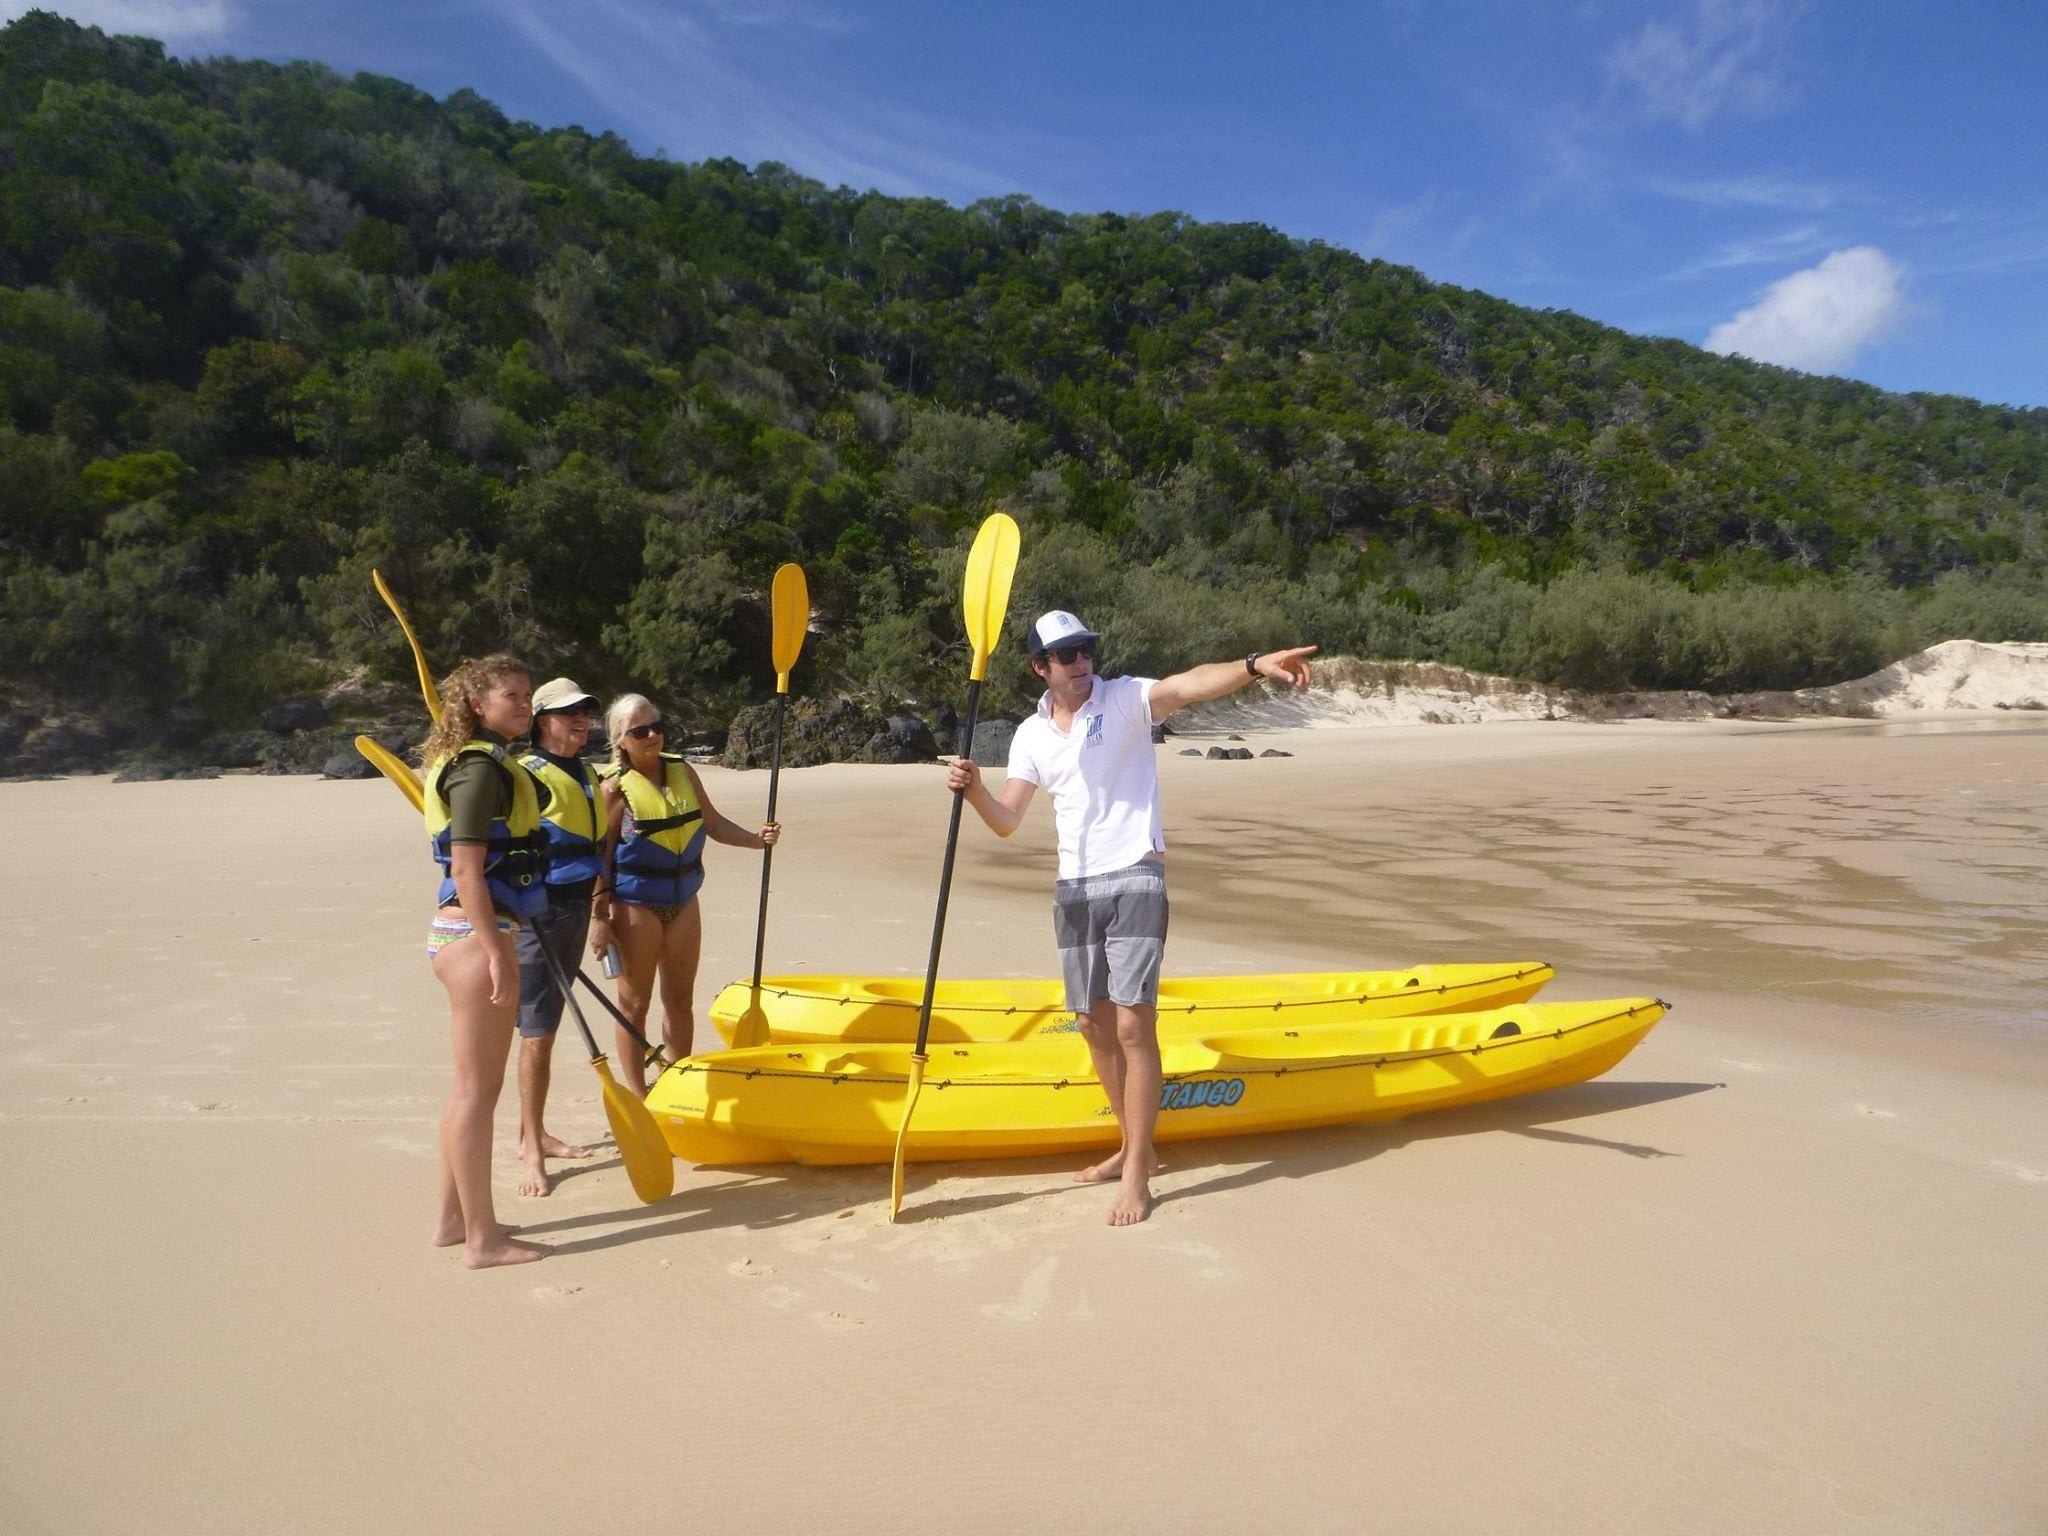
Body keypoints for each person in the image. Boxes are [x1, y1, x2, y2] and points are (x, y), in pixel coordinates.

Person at [943, 611, 1316, 1227]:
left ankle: (1139, 1171)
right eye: (1066, 655)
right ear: (1041, 668)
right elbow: (1008, 820)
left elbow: (1190, 683)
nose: (1081, 661)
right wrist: (976, 789)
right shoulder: (1031, 736)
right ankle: (1130, 1143)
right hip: (1075, 885)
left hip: (1135, 875)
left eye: (1087, 649)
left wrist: (1254, 665)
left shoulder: (1124, 700)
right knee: (1092, 1024)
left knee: (1134, 1029)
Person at [419, 654, 551, 1268]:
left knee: (469, 1089)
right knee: (477, 1092)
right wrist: (498, 954)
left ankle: (453, 1219)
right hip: (477, 939)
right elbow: (467, 870)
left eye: (527, 695)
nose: (525, 705)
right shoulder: (477, 771)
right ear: (477, 703)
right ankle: (483, 1239)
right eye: (511, 695)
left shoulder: (481, 762)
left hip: (469, 935)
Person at [599, 694, 781, 1092]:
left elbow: (712, 824)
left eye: (658, 727)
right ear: (620, 740)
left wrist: (755, 840)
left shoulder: (683, 772)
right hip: (635, 905)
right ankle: (637, 1093)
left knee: (680, 1001)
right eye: (640, 731)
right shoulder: (614, 790)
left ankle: (676, 1082)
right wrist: (599, 920)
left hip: (683, 902)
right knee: (634, 1005)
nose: (653, 736)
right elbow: (601, 859)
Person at [510, 677, 619, 1196]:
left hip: (574, 910)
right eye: (567, 712)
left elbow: (599, 847)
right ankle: (532, 1146)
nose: (581, 719)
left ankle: (534, 1131)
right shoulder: (525, 776)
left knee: (547, 1026)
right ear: (540, 721)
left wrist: (600, 907)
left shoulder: (586, 771)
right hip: (540, 915)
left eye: (585, 711)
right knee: (538, 1033)